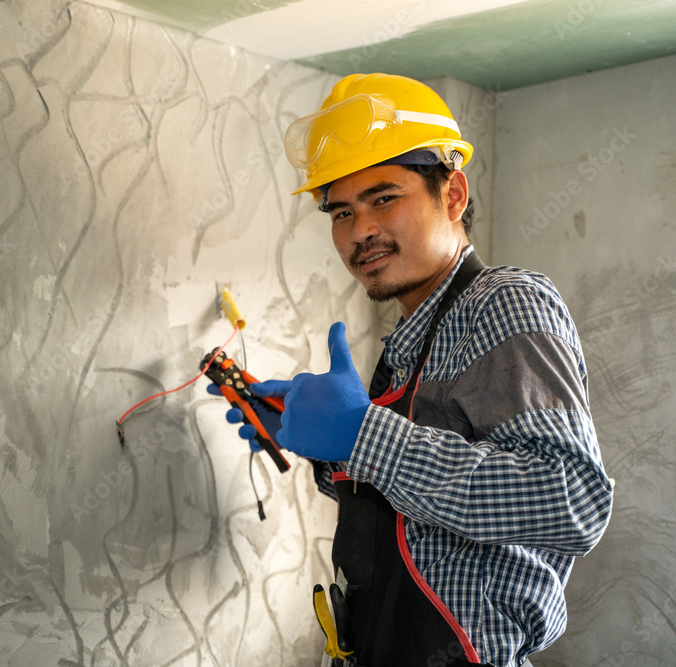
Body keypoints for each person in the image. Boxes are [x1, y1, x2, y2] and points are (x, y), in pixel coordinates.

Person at [210, 73, 613, 667]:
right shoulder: (409, 337)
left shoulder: (503, 302)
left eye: (384, 197)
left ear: (452, 195)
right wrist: (323, 445)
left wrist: (362, 434)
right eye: (341, 211)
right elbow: (415, 511)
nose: (361, 230)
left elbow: (570, 501)